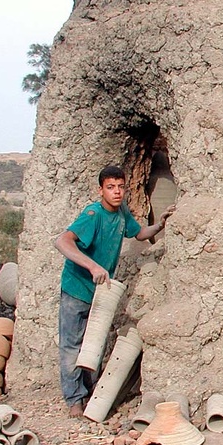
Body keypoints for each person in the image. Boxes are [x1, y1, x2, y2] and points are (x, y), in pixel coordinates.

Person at [54, 164, 174, 418]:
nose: (117, 192)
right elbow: (62, 241)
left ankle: (89, 394)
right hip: (77, 288)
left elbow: (140, 233)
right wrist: (92, 265)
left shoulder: (120, 214)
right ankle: (74, 400)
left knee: (94, 344)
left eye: (120, 187)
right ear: (101, 190)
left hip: (100, 292)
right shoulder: (92, 214)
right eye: (111, 187)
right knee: (72, 346)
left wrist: (161, 224)